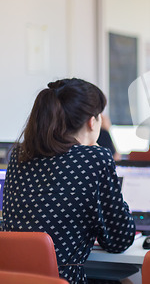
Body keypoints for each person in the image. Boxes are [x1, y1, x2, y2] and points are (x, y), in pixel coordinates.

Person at [2, 78, 136, 284]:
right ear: (93, 121)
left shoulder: (19, 155)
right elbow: (119, 240)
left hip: (15, 278)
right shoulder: (95, 158)